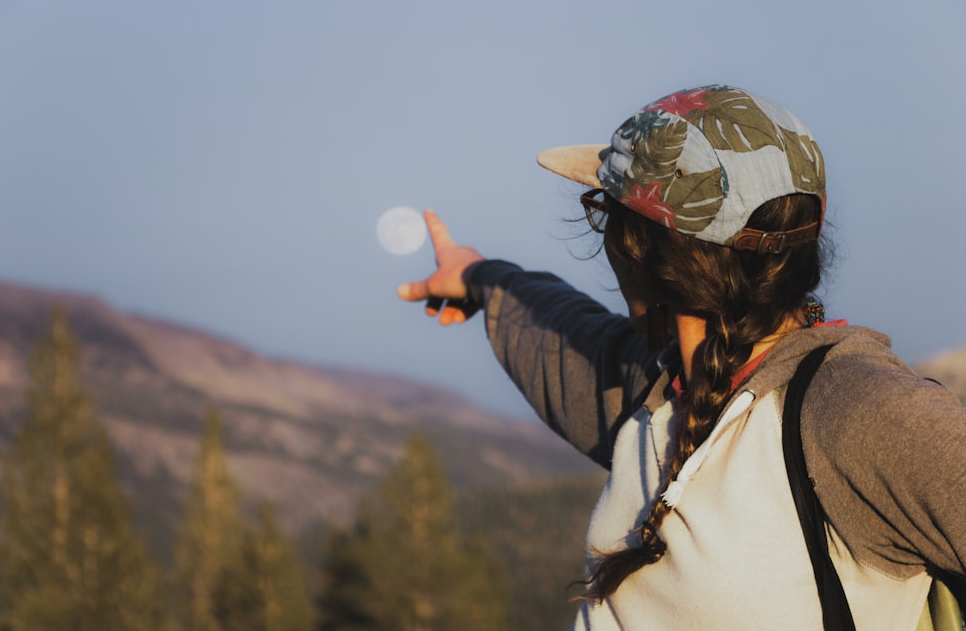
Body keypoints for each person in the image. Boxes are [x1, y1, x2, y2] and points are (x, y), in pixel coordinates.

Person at [397, 84, 966, 630]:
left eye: (605, 214)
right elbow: (563, 337)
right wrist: (478, 278)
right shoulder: (666, 392)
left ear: (643, 250)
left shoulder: (853, 411)